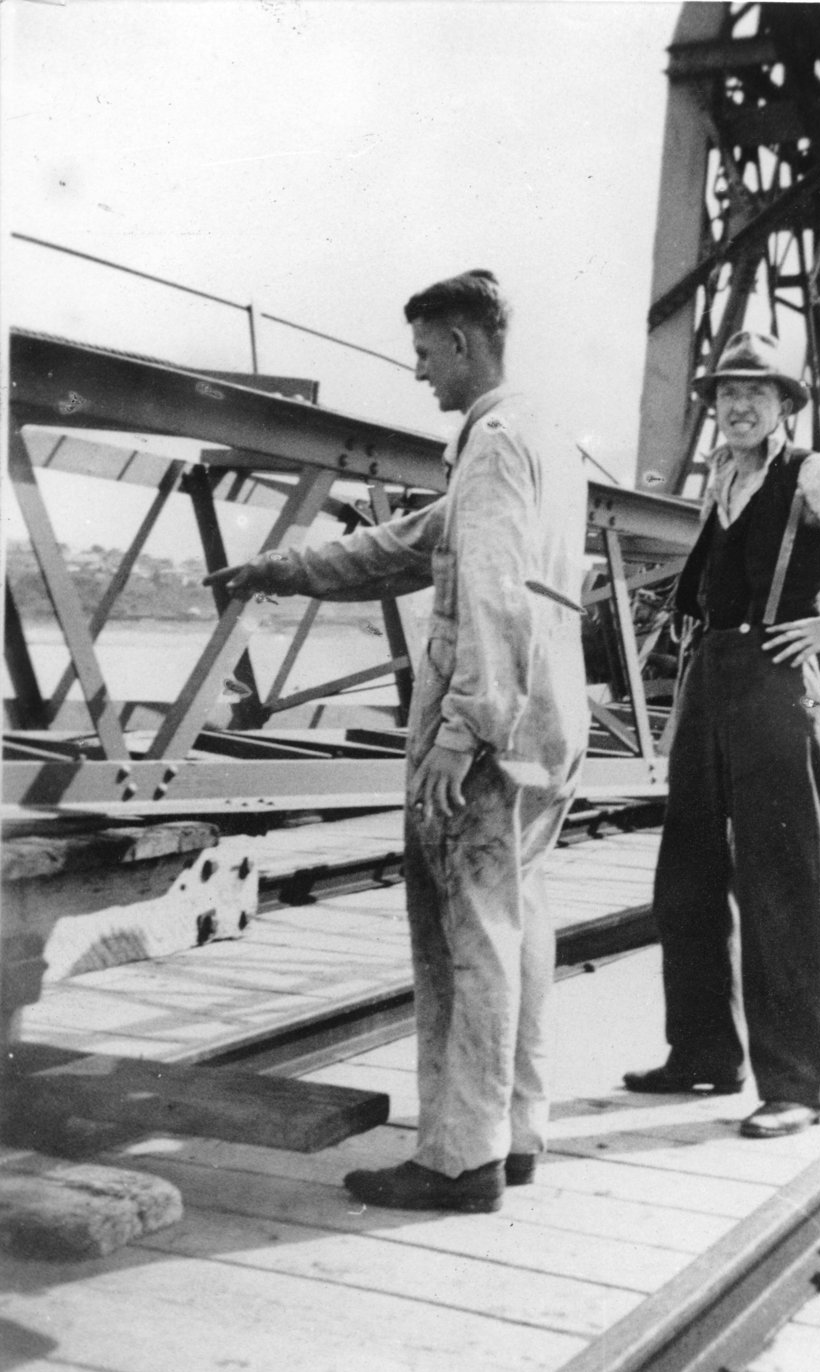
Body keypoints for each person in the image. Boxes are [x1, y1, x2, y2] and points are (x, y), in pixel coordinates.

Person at [207, 270, 589, 1208]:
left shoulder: (493, 442)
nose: (418, 374)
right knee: (516, 922)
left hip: (492, 723)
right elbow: (412, 542)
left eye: (423, 353)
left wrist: (460, 730)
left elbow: (492, 592)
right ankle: (515, 1128)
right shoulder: (541, 433)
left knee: (465, 935)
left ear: (461, 342)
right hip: (549, 716)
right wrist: (285, 567)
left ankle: (459, 1159)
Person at [624, 330, 820, 1137]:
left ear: (783, 406)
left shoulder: (814, 474)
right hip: (709, 680)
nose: (736, 406)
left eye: (755, 394)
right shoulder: (723, 477)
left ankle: (796, 1084)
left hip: (773, 684)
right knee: (686, 876)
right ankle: (701, 1054)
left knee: (778, 884)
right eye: (725, 393)